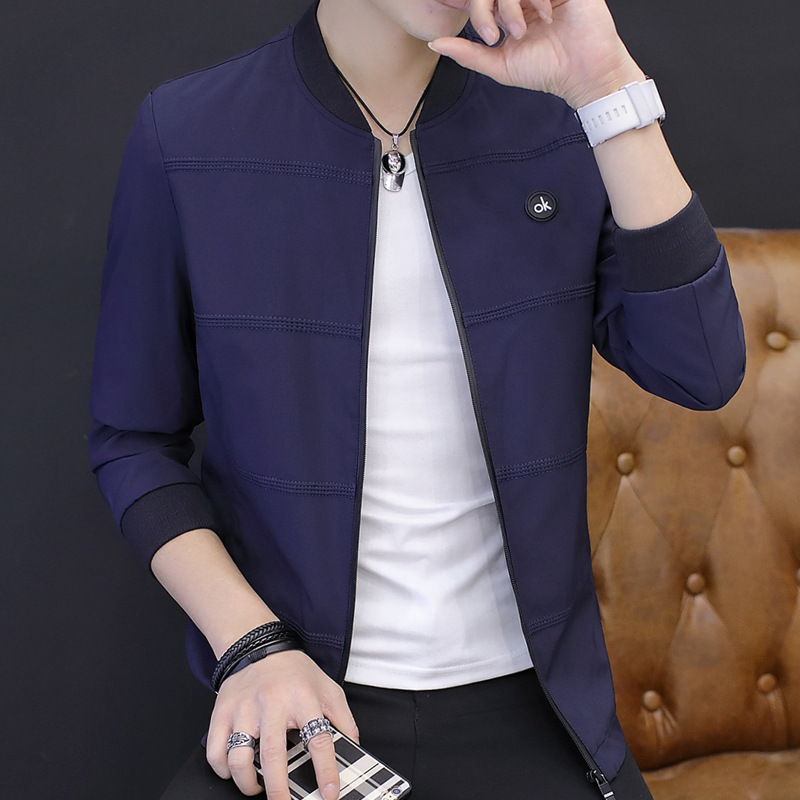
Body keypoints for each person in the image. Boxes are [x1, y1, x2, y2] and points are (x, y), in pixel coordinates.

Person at [89, 0, 745, 798]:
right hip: (305, 707)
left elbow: (702, 367)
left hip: (539, 713)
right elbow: (133, 439)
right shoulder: (189, 132)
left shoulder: (562, 120)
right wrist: (252, 646)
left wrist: (608, 85)